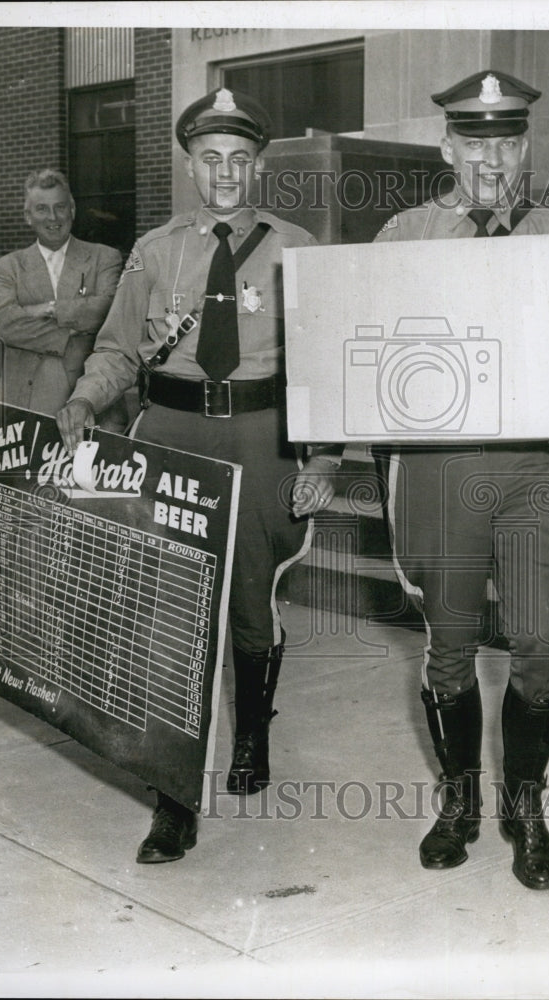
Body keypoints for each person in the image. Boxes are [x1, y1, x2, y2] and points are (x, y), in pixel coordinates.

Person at [373, 70, 549, 890]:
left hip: (534, 469)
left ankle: (524, 809)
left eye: (509, 140)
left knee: (538, 648)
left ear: (525, 146)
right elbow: (352, 331)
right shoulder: (405, 234)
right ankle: (457, 802)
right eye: (476, 141)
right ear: (447, 145)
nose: (493, 157)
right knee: (449, 650)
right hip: (438, 471)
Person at [57, 88, 337, 865]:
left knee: (252, 600)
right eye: (210, 159)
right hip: (173, 433)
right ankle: (174, 798)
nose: (224, 173)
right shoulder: (155, 249)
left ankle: (250, 735)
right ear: (190, 165)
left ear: (258, 166)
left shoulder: (299, 248)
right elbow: (118, 349)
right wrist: (84, 398)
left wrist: (324, 456)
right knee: (167, 610)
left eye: (239, 160)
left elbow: (325, 365)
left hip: (261, 434)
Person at [0, 169, 127, 429]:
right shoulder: (7, 267)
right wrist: (75, 334)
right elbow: (4, 324)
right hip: (25, 405)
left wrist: (49, 309)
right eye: (41, 209)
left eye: (60, 207)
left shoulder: (105, 258)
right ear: (28, 216)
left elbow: (107, 312)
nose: (52, 218)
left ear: (72, 210)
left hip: (91, 404)